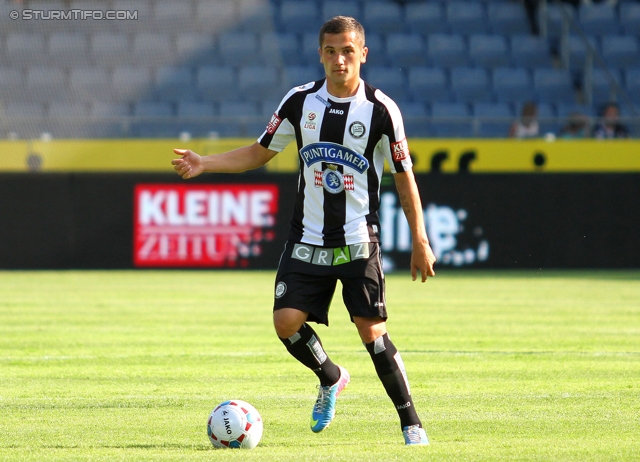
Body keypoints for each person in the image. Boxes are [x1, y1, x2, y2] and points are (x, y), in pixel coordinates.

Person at [171, 16, 436, 446]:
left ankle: (412, 424)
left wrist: (420, 239)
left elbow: (405, 177)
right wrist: (206, 163)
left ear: (363, 54)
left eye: (348, 51)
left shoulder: (382, 111)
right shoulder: (300, 102)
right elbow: (260, 151)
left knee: (372, 332)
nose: (339, 59)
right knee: (285, 322)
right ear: (321, 55)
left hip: (356, 240)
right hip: (307, 237)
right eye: (331, 51)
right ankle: (330, 376)